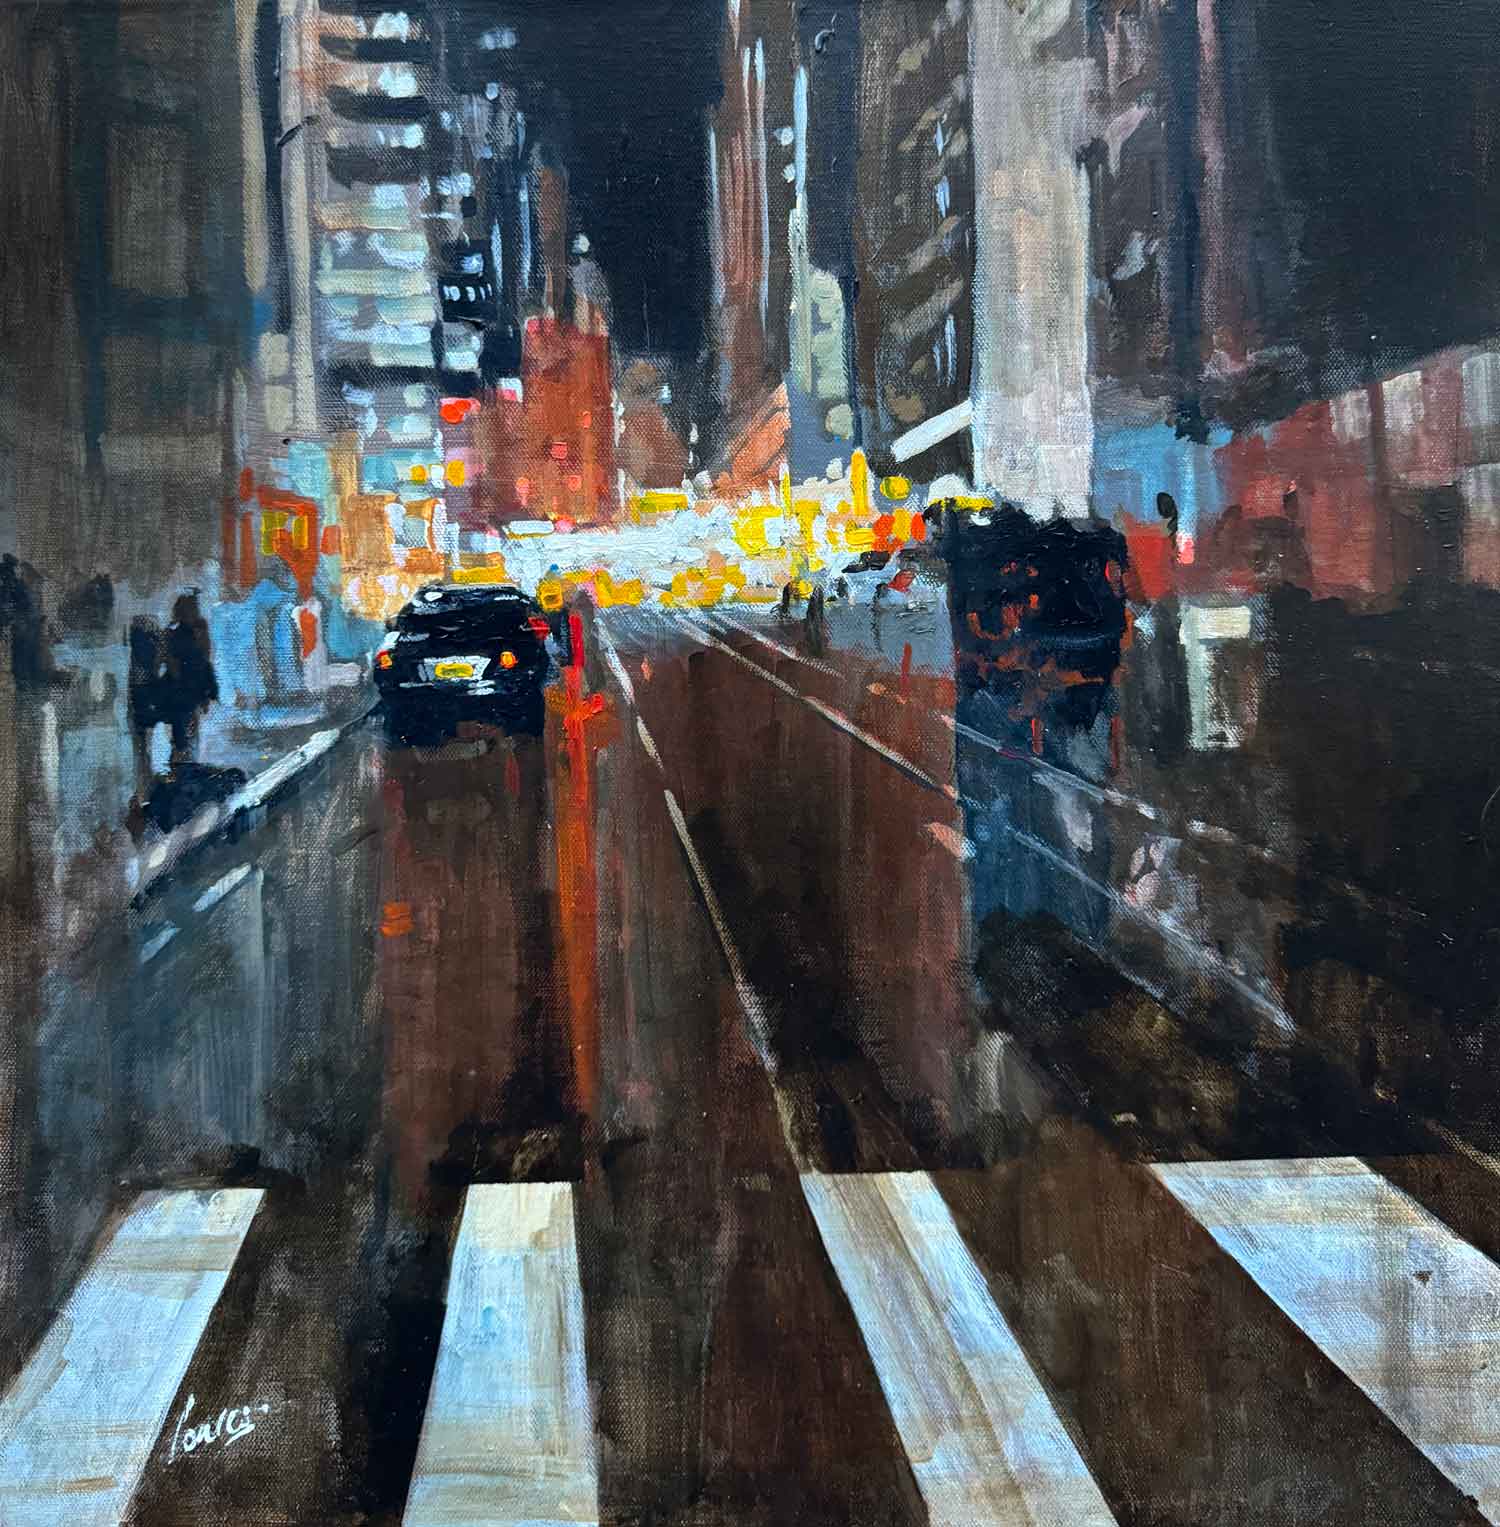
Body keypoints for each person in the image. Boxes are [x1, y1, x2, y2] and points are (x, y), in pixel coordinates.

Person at [160, 592, 218, 767]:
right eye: (191, 607)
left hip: (189, 684)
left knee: (185, 726)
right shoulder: (176, 630)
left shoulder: (195, 628)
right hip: (184, 685)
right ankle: (182, 759)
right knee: (184, 725)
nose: (193, 611)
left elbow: (204, 657)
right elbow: (171, 658)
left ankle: (183, 759)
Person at [126, 616, 164, 794]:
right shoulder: (150, 643)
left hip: (140, 693)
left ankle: (145, 786)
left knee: (141, 745)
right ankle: (146, 785)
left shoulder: (139, 644)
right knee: (144, 745)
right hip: (145, 693)